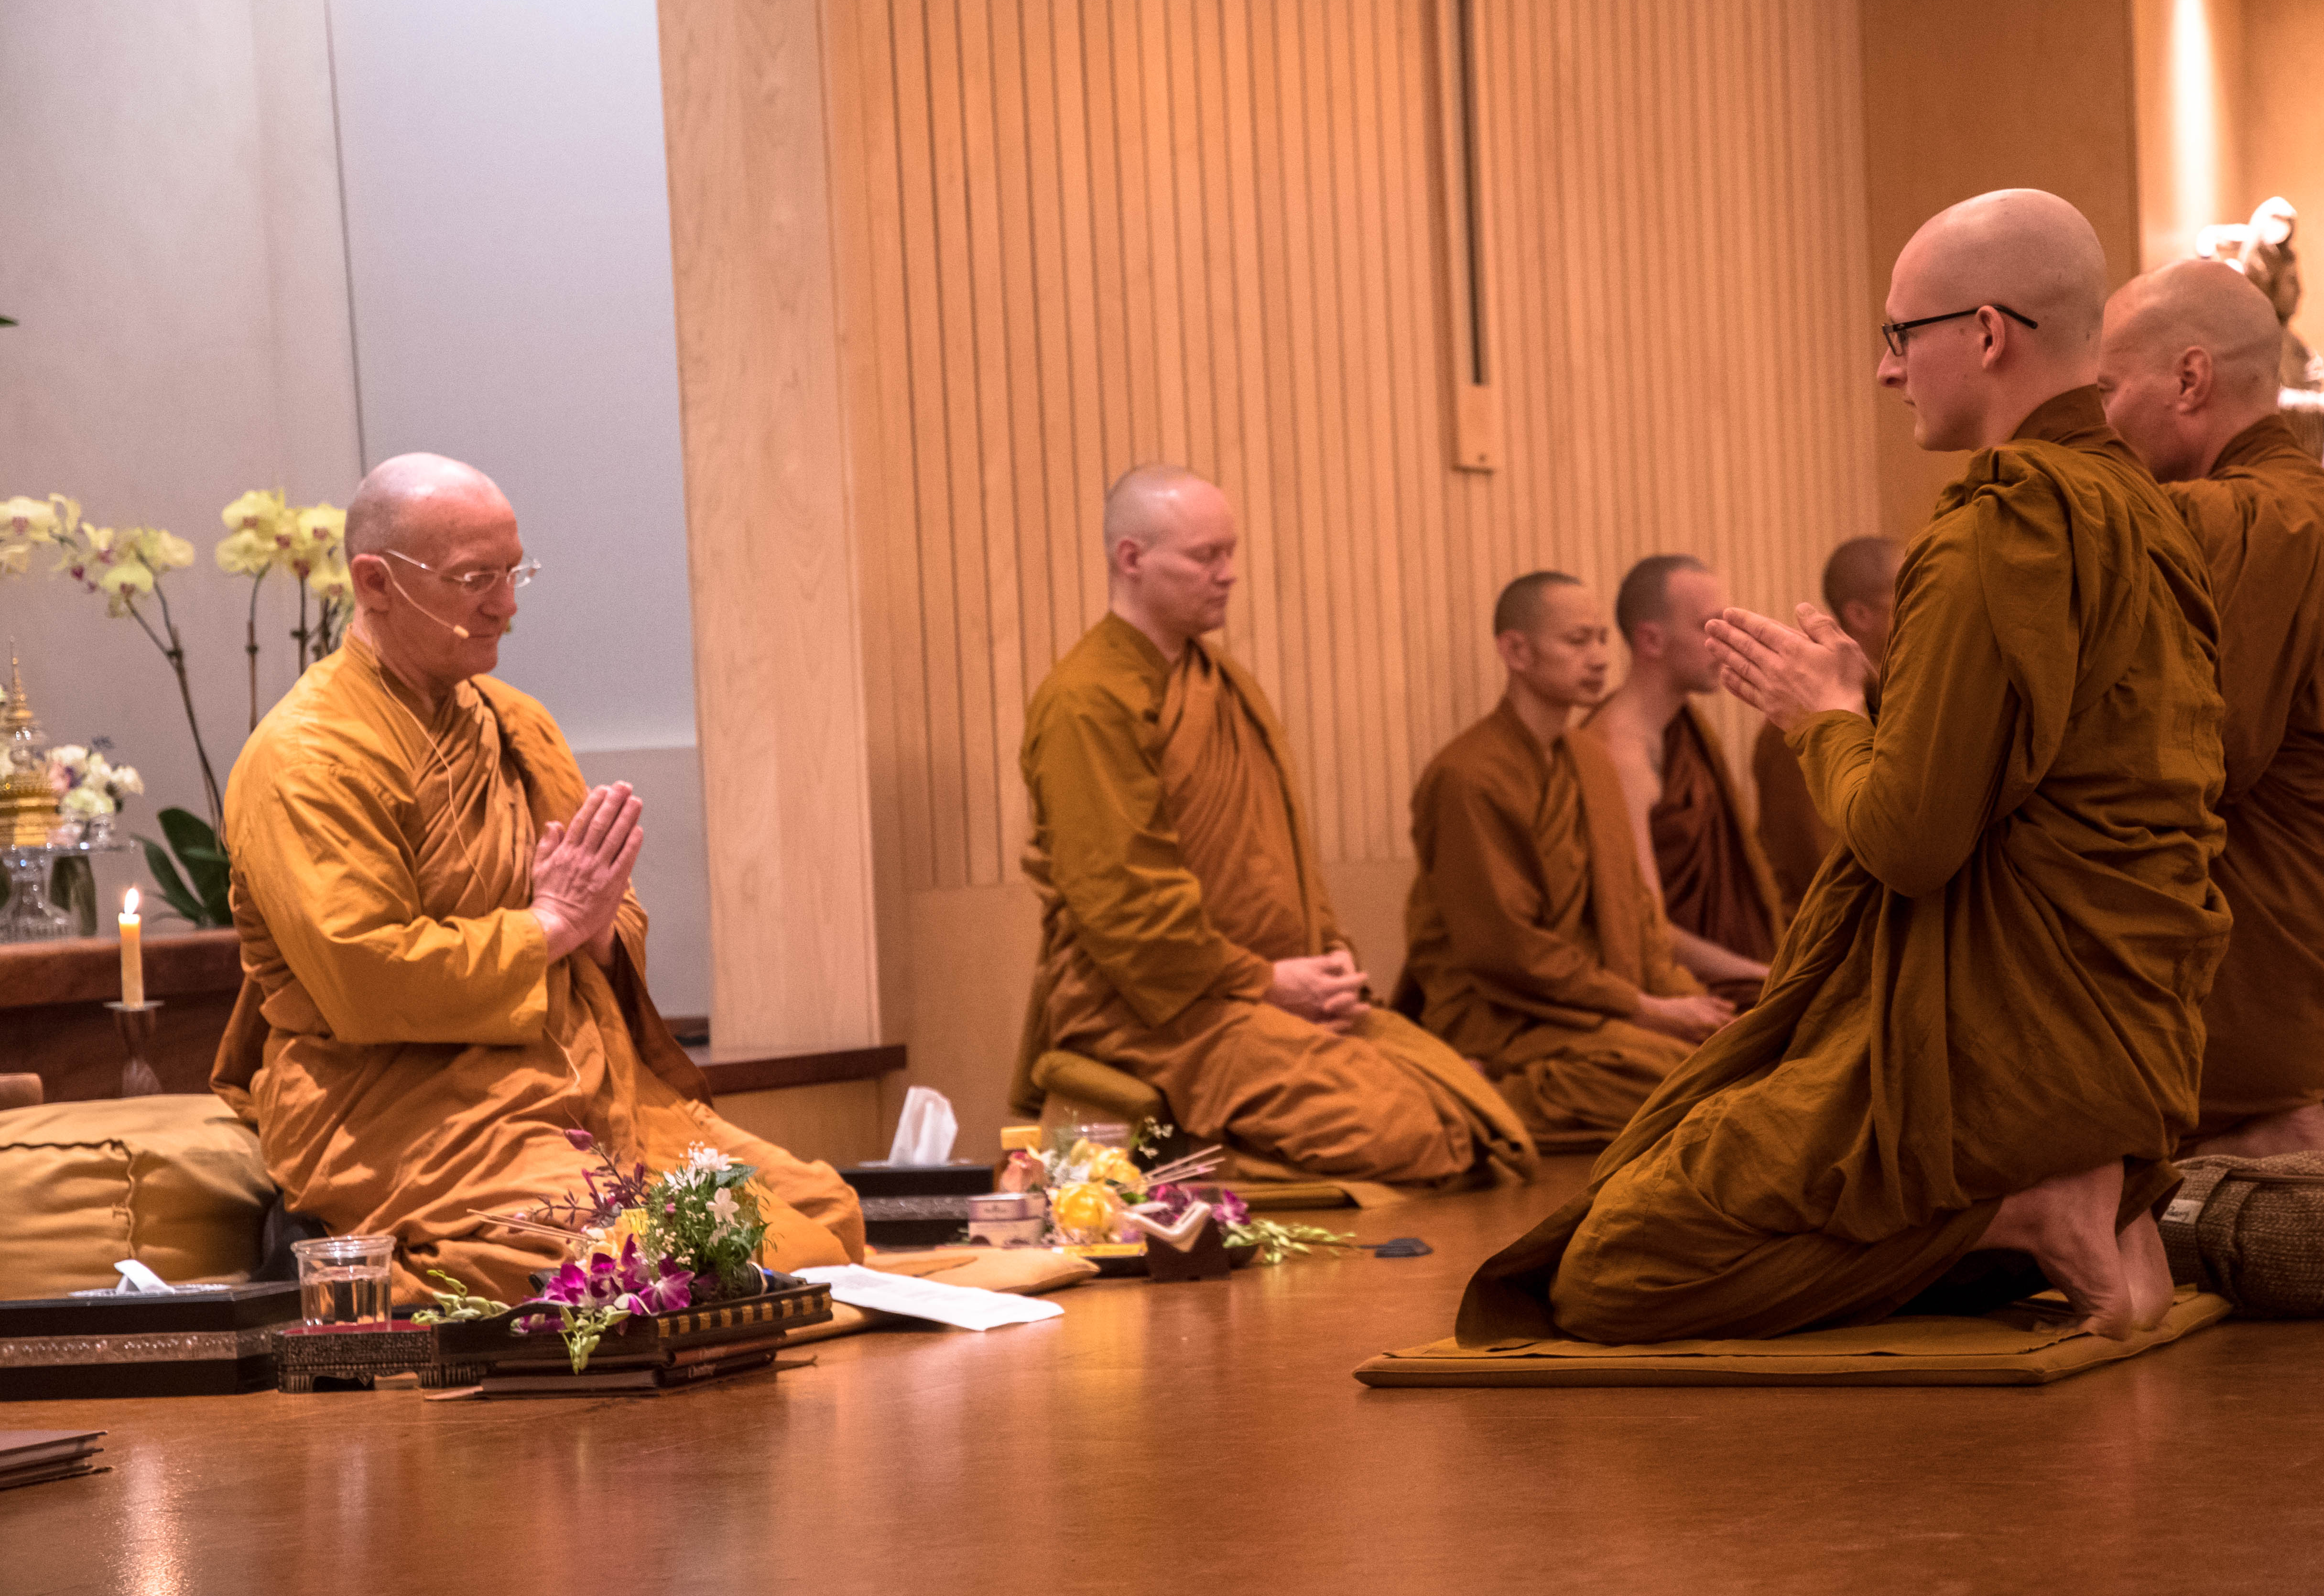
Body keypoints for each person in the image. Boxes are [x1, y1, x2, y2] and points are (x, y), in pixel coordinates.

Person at [1462, 190, 2230, 1345]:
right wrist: (1867, 708)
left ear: (1986, 332)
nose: (1886, 369)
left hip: (1996, 1053)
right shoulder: (2152, 517)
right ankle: (2077, 1195)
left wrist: (1820, 716)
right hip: (2131, 1041)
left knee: (1614, 1263)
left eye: (1899, 334)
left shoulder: (1998, 530)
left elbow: (1909, 842)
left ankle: (2021, 1210)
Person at [212, 454, 866, 1304]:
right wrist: (549, 926)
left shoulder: (515, 723)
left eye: (514, 572)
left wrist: (594, 929)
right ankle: (374, 1274)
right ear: (375, 582)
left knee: (824, 1219)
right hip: (409, 1115)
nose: (506, 605)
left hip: (577, 1086)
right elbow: (365, 974)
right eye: (474, 579)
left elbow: (601, 919)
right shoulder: (306, 757)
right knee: (681, 1263)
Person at [1012, 466, 1532, 1186]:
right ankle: (1174, 1172)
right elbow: (1125, 906)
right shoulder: (1088, 701)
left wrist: (1329, 963)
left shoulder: (1222, 682)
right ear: (1132, 558)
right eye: (1206, 556)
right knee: (1415, 1131)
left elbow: (1281, 851)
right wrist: (1265, 982)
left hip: (1265, 989)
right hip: (1159, 1012)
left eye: (1231, 552)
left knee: (1470, 1108)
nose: (1228, 574)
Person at [2098, 258, 2324, 1165]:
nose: (2099, 422)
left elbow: (2185, 773)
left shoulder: (2220, 520)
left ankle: (2267, 1135)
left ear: (2190, 380)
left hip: (2250, 996)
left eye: (2107, 390)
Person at [1398, 572, 1735, 1138]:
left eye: (1602, 639)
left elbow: (1637, 914)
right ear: (1516, 652)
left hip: (1598, 1005)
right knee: (1672, 1080)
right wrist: (1645, 1009)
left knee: (1733, 1059)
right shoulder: (1469, 777)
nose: (1600, 658)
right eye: (1577, 641)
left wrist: (1689, 1003)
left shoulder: (1591, 761)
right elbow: (1508, 948)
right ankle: (1481, 1095)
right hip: (1506, 1013)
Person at [1586, 554, 1780, 1006]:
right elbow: (1648, 930)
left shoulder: (1684, 732)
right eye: (1710, 626)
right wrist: (1771, 975)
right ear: (1651, 640)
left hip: (1728, 966)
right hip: (1673, 986)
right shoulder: (1619, 753)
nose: (1727, 643)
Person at [1747, 535, 1900, 912]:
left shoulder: (1902, 695)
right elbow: (1820, 863)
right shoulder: (1801, 720)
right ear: (1861, 615)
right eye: (1911, 595)